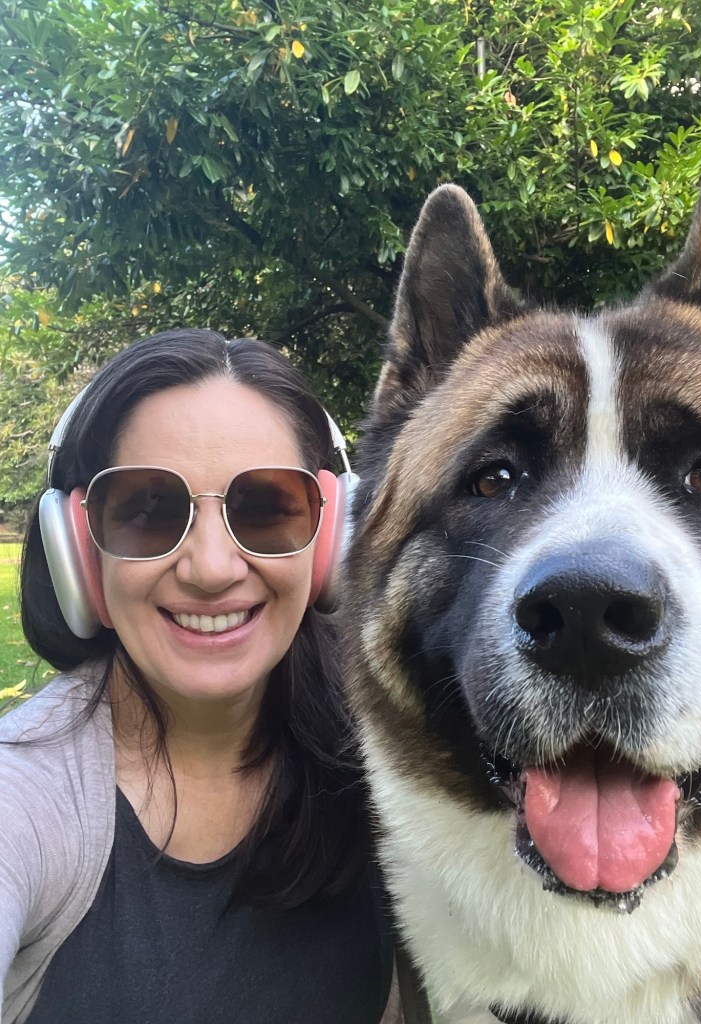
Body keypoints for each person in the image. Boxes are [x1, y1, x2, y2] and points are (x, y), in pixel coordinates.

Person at [0, 329, 401, 1024]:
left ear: (330, 535)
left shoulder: (395, 758)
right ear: (79, 548)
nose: (212, 568)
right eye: (148, 511)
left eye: (267, 507)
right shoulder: (26, 795)